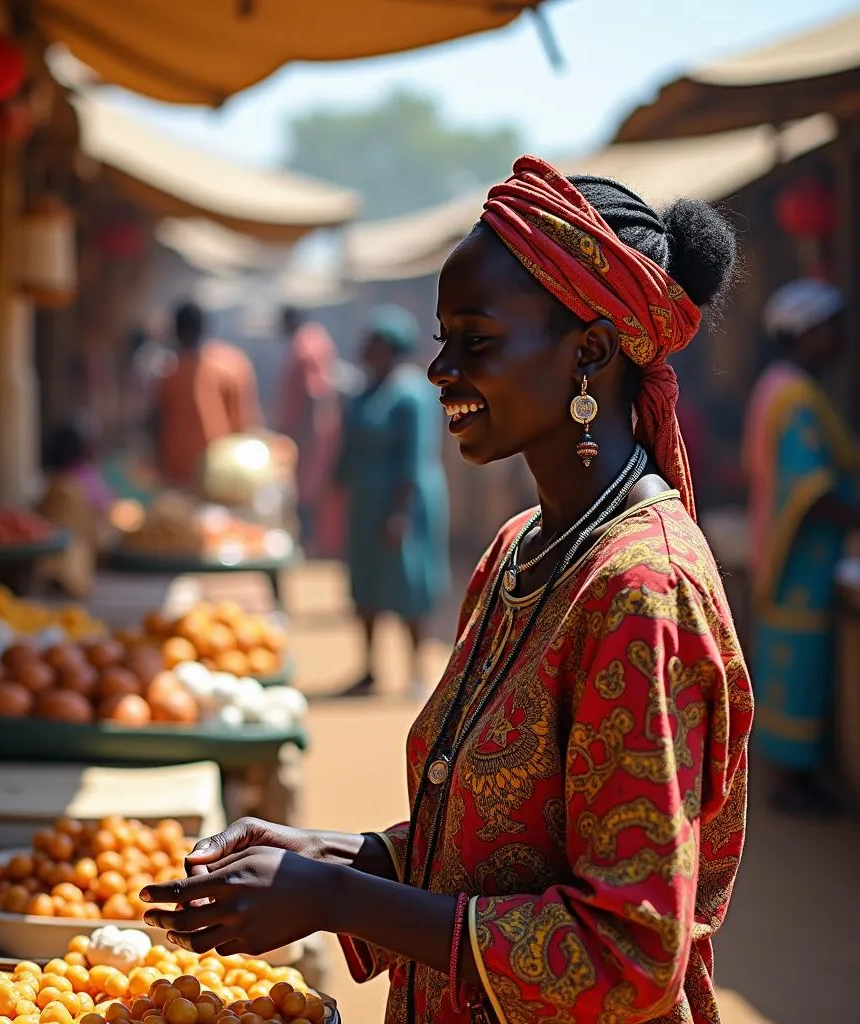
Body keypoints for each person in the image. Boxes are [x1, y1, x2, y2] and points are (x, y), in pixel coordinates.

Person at [141, 158, 754, 1024]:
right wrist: (337, 857)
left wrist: (337, 901)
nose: (440, 370)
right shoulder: (521, 551)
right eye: (441, 338)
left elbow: (628, 954)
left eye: (476, 340)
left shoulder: (639, 593)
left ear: (588, 352)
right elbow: (499, 853)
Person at [742, 278, 858, 816]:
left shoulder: (781, 384)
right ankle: (793, 778)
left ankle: (798, 772)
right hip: (800, 558)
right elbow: (810, 486)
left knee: (794, 662)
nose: (837, 339)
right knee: (800, 665)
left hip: (787, 550)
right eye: (830, 329)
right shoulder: (794, 397)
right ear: (808, 332)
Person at [335, 305, 450, 700]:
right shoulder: (364, 390)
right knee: (365, 582)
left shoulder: (411, 393)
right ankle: (369, 668)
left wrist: (400, 514)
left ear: (391, 347)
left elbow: (415, 457)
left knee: (407, 582)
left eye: (373, 342)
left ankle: (417, 670)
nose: (364, 348)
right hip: (365, 504)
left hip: (404, 502)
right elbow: (347, 445)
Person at [157, 302, 262, 488]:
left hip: (191, 477)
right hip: (220, 477)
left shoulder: (170, 373)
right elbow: (246, 425)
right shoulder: (232, 364)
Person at [274, 307, 343, 556]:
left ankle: (309, 547)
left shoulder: (304, 347)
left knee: (308, 494)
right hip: (315, 432)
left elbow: (314, 394)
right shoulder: (315, 339)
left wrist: (304, 438)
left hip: (310, 435)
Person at [36, 419, 115, 598]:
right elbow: (105, 507)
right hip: (78, 551)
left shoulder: (50, 481)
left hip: (51, 556)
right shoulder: (86, 478)